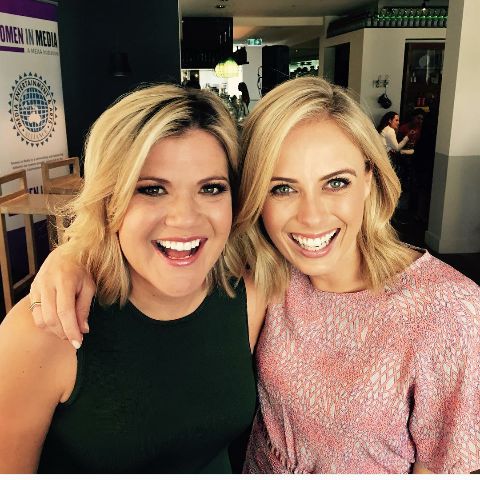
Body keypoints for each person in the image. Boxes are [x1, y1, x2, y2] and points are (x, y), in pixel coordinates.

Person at [28, 78, 480, 474]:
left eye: (336, 182)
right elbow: (172, 233)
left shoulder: (446, 310)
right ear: (256, 197)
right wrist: (76, 253)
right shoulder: (270, 269)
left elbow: (441, 467)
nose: (311, 217)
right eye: (282, 188)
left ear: (370, 178)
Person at [0, 84, 265, 473]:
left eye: (211, 188)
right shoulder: (44, 330)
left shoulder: (248, 297)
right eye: (152, 189)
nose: (185, 218)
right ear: (109, 200)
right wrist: (73, 252)